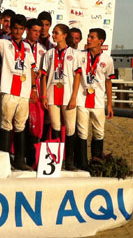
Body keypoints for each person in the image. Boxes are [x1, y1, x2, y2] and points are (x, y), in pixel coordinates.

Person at [0, 14, 37, 171]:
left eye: (21, 29)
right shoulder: (4, 43)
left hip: (24, 92)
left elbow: (31, 68)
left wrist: (34, 88)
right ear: (11, 29)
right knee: (5, 124)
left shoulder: (28, 47)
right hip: (8, 90)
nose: (17, 32)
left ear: (24, 30)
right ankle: (4, 160)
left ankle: (19, 160)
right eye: (15, 28)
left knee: (20, 125)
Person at [40, 24, 81, 171]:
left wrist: (74, 97)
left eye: (56, 33)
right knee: (55, 127)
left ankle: (69, 162)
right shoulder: (49, 53)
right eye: (53, 33)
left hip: (68, 95)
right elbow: (43, 76)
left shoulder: (74, 54)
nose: (53, 35)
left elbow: (77, 76)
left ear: (64, 35)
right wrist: (44, 95)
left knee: (70, 129)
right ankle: (56, 162)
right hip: (52, 95)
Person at [76, 28, 115, 169]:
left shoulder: (107, 59)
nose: (88, 39)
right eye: (88, 36)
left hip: (98, 101)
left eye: (92, 37)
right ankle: (82, 163)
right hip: (82, 99)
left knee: (98, 132)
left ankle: (96, 162)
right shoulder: (79, 55)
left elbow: (108, 82)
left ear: (100, 41)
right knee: (82, 132)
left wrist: (109, 105)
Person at [23, 18, 47, 165]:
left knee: (35, 125)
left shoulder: (43, 50)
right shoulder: (20, 46)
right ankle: (19, 156)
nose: (37, 34)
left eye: (39, 31)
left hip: (35, 92)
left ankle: (32, 158)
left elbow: (44, 73)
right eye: (34, 31)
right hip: (21, 88)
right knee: (21, 124)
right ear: (27, 30)